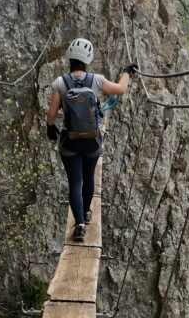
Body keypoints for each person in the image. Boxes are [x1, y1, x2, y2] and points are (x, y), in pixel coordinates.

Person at [46, 38, 137, 242]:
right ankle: (86, 212)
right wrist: (126, 72)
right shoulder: (96, 79)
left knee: (74, 182)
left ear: (70, 58)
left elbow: (51, 113)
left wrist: (50, 127)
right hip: (92, 141)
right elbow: (120, 90)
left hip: (70, 141)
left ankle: (79, 224)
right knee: (88, 177)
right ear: (88, 59)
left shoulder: (59, 83)